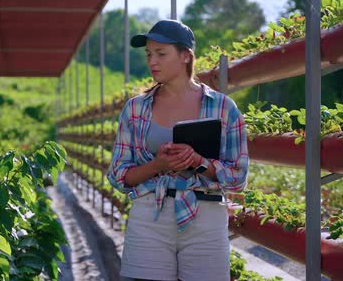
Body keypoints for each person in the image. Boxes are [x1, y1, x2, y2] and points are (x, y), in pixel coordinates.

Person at [106, 19, 249, 281]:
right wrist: (158, 165)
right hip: (150, 214)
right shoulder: (136, 109)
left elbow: (238, 176)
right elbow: (119, 175)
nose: (152, 61)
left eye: (161, 53)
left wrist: (198, 162)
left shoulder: (223, 108)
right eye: (149, 54)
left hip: (205, 216)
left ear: (186, 56)